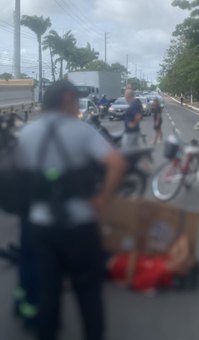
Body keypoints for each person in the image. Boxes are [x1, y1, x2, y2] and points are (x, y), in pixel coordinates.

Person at [16, 80, 127, 340]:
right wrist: (102, 199)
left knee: (48, 293)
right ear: (67, 99)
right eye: (76, 100)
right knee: (88, 293)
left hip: (41, 226)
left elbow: (18, 173)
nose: (77, 105)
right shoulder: (83, 131)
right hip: (80, 225)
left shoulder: (27, 134)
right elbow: (117, 163)